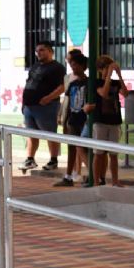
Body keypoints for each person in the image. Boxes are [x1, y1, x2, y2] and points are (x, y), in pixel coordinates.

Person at [19, 40, 66, 171]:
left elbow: (63, 86)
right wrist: (24, 104)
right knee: (31, 134)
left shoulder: (57, 68)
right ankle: (30, 159)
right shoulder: (35, 66)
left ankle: (53, 160)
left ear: (50, 51)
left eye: (42, 50)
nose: (38, 53)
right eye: (37, 50)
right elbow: (29, 83)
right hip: (29, 106)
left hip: (46, 107)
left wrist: (48, 98)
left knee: (50, 134)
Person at [54, 53, 94, 186]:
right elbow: (66, 102)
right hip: (72, 119)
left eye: (76, 64)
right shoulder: (72, 83)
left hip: (85, 120)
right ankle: (68, 176)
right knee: (72, 148)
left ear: (83, 66)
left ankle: (92, 174)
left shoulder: (90, 83)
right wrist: (62, 116)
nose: (73, 67)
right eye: (72, 65)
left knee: (82, 147)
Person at [92, 55, 128, 187]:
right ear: (101, 69)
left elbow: (126, 93)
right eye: (107, 68)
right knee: (99, 153)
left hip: (115, 121)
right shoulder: (96, 82)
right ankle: (96, 181)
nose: (110, 70)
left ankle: (115, 181)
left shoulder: (115, 83)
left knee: (113, 154)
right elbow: (104, 93)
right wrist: (107, 77)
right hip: (101, 121)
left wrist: (119, 75)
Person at [57, 48, 84, 181]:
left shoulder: (85, 80)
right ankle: (71, 171)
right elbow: (65, 98)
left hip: (80, 115)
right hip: (68, 114)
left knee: (80, 145)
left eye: (70, 59)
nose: (68, 61)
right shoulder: (67, 78)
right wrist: (61, 114)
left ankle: (78, 171)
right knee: (71, 144)